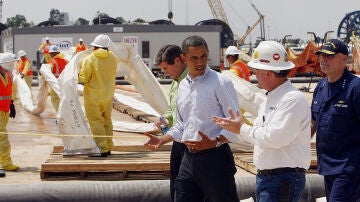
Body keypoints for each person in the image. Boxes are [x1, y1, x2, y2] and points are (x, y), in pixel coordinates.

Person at [144, 35, 242, 202]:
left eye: (203, 56)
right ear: (184, 58)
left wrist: (215, 141)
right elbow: (183, 124)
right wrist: (162, 139)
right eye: (194, 58)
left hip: (215, 159)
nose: (200, 62)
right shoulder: (183, 86)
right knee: (181, 195)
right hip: (189, 159)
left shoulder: (220, 83)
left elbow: (236, 124)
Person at [212, 41, 311, 202]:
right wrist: (232, 131)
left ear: (268, 73)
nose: (254, 75)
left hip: (282, 179)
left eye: (257, 71)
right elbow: (259, 136)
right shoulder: (271, 98)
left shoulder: (292, 99)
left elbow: (274, 138)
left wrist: (241, 128)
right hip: (271, 178)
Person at [311, 39, 360, 201]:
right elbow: (314, 122)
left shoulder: (355, 88)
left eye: (330, 56)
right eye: (322, 55)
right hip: (327, 167)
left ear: (344, 59)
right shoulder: (321, 87)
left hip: (349, 168)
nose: (324, 59)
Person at [153, 44, 188, 201]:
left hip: (192, 143)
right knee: (175, 182)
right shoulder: (175, 82)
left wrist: (162, 139)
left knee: (187, 185)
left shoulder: (192, 81)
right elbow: (173, 111)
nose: (165, 73)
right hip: (178, 139)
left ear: (178, 61)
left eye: (166, 69)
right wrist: (165, 119)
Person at [79, 34, 117, 157]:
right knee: (107, 121)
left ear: (95, 46)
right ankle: (109, 146)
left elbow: (84, 78)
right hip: (108, 95)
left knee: (96, 121)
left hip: (93, 97)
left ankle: (102, 148)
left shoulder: (89, 59)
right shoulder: (113, 58)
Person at [0, 52, 19, 171]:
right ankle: (6, 163)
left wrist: (11, 104)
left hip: (5, 109)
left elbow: (10, 90)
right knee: (3, 137)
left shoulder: (8, 75)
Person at [47, 45, 68, 112]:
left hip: (55, 83)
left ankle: (60, 115)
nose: (50, 55)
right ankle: (64, 114)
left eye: (50, 53)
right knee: (63, 99)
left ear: (53, 53)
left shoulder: (52, 61)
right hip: (64, 83)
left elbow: (48, 71)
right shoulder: (65, 60)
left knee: (55, 99)